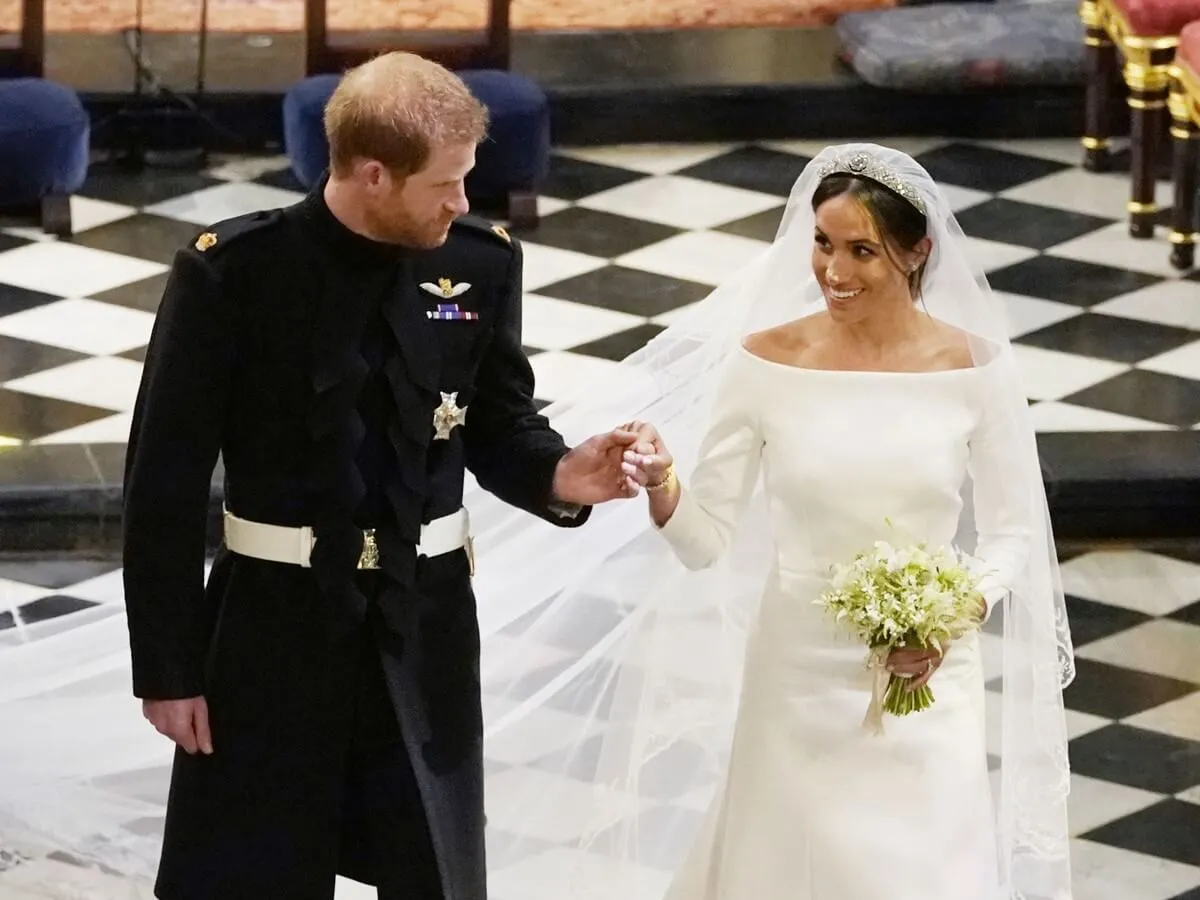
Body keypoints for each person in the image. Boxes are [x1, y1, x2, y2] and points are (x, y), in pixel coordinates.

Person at [34, 51, 636, 900]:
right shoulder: (233, 275)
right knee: (247, 874)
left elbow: (498, 423)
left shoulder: (482, 263)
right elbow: (162, 483)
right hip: (271, 631)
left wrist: (561, 476)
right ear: (373, 174)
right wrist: (168, 669)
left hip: (423, 626)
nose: (463, 202)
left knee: (433, 870)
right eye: (446, 184)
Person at [459, 145, 1076, 900]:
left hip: (930, 675)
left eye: (862, 252)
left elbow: (1013, 532)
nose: (834, 272)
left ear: (918, 252)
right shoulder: (763, 361)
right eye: (823, 243)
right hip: (795, 677)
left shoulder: (975, 369)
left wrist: (951, 616)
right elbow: (705, 538)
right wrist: (662, 482)